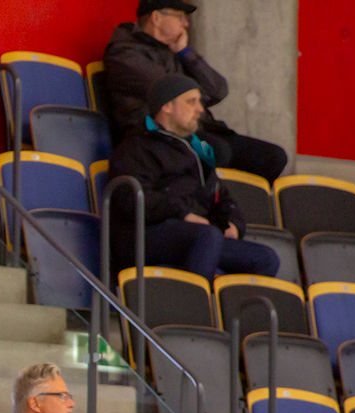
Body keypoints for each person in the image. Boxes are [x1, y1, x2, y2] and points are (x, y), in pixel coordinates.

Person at [106, 74, 280, 281]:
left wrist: (233, 223)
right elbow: (130, 197)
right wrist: (183, 214)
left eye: (199, 102)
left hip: (195, 235)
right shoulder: (136, 147)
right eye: (191, 102)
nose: (200, 109)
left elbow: (221, 195)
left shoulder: (196, 150)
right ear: (167, 106)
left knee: (266, 258)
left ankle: (221, 301)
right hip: (146, 234)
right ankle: (192, 299)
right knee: (207, 235)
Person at [103, 0, 288, 182]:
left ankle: (235, 202)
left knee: (273, 157)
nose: (186, 24)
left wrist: (185, 52)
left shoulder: (173, 52)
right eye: (180, 17)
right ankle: (209, 199)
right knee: (217, 152)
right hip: (157, 135)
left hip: (197, 128)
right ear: (156, 18)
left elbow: (218, 90)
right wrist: (196, 92)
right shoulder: (124, 54)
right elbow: (174, 91)